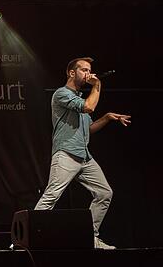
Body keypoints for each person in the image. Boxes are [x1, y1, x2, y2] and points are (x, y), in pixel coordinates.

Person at [31, 57, 130, 249]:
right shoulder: (61, 94)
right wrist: (98, 84)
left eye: (89, 70)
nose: (88, 74)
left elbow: (89, 128)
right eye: (84, 70)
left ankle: (90, 237)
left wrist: (107, 118)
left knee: (104, 193)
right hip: (66, 154)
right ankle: (28, 237)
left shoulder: (78, 99)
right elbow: (89, 106)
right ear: (71, 73)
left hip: (84, 157)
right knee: (51, 195)